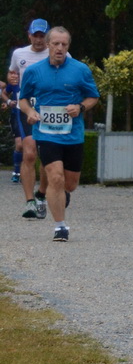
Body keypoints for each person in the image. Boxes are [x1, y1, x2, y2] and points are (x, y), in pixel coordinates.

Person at [17, 27, 100, 243]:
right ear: (48, 45)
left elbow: (93, 96)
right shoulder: (34, 71)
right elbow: (23, 99)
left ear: (68, 47)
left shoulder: (80, 70)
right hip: (45, 133)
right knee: (55, 176)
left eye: (64, 44)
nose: (60, 48)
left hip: (73, 134)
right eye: (56, 44)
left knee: (69, 183)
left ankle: (62, 194)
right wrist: (30, 112)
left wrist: (80, 107)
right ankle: (60, 227)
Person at [11, 19, 52, 218]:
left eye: (42, 35)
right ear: (29, 35)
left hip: (50, 110)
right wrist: (11, 78)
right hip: (25, 108)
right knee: (29, 153)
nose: (38, 39)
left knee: (46, 156)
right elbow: (12, 74)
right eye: (35, 35)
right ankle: (29, 202)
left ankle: (41, 194)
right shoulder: (19, 54)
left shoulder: (58, 52)